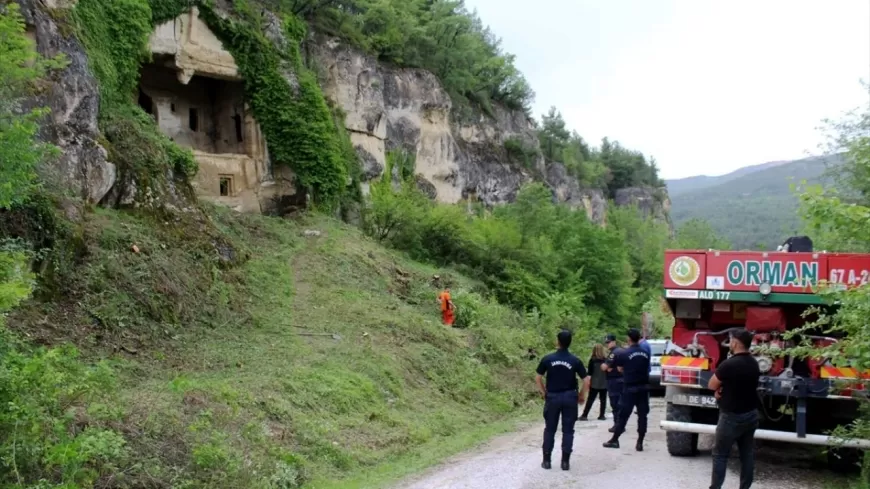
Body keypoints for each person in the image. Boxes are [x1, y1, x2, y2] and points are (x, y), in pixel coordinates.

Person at [707, 330, 761, 489]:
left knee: (720, 455)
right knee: (747, 455)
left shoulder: (729, 364)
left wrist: (719, 388)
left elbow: (711, 384)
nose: (729, 343)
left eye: (730, 340)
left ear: (736, 343)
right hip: (751, 415)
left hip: (731, 416)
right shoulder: (754, 363)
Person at [535, 329, 589, 471]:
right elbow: (587, 380)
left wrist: (543, 392)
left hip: (552, 397)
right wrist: (582, 395)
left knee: (550, 429)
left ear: (557, 341)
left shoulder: (548, 359)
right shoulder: (575, 360)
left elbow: (538, 377)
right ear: (569, 343)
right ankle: (565, 462)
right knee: (568, 430)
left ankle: (546, 461)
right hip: (570, 397)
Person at [603, 328, 651, 451]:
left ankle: (615, 440)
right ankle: (640, 442)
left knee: (623, 415)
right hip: (643, 387)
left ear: (628, 339)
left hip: (629, 387)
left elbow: (619, 369)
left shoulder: (624, 353)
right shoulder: (645, 353)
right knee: (642, 416)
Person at [579, 343, 608, 421]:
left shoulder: (592, 360)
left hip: (594, 383)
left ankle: (585, 415)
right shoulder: (606, 360)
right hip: (604, 382)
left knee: (590, 399)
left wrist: (588, 383)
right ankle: (602, 415)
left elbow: (589, 374)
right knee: (603, 400)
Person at [601, 334, 624, 432]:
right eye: (606, 343)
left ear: (614, 341)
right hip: (622, 380)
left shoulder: (613, 353)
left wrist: (607, 367)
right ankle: (621, 424)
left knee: (615, 403)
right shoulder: (622, 351)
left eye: (609, 342)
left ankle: (618, 425)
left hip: (614, 381)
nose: (607, 344)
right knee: (620, 403)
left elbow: (604, 367)